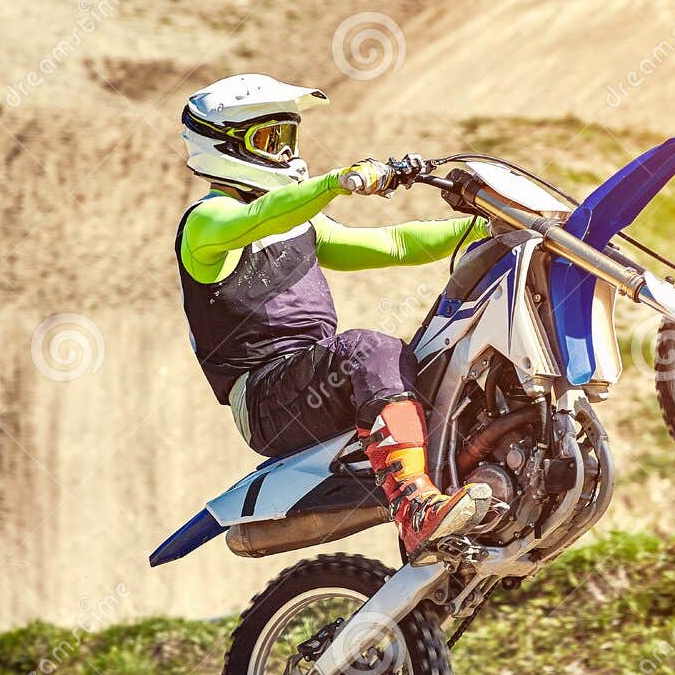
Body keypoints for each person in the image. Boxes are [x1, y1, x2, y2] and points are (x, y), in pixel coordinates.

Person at [176, 73, 490, 562]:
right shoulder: (208, 221)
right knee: (369, 348)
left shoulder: (298, 219)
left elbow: (396, 243)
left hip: (309, 377)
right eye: (268, 139)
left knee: (437, 360)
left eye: (289, 136)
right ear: (225, 146)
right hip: (266, 397)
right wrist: (336, 182)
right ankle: (415, 508)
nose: (283, 152)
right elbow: (260, 218)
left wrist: (488, 225)